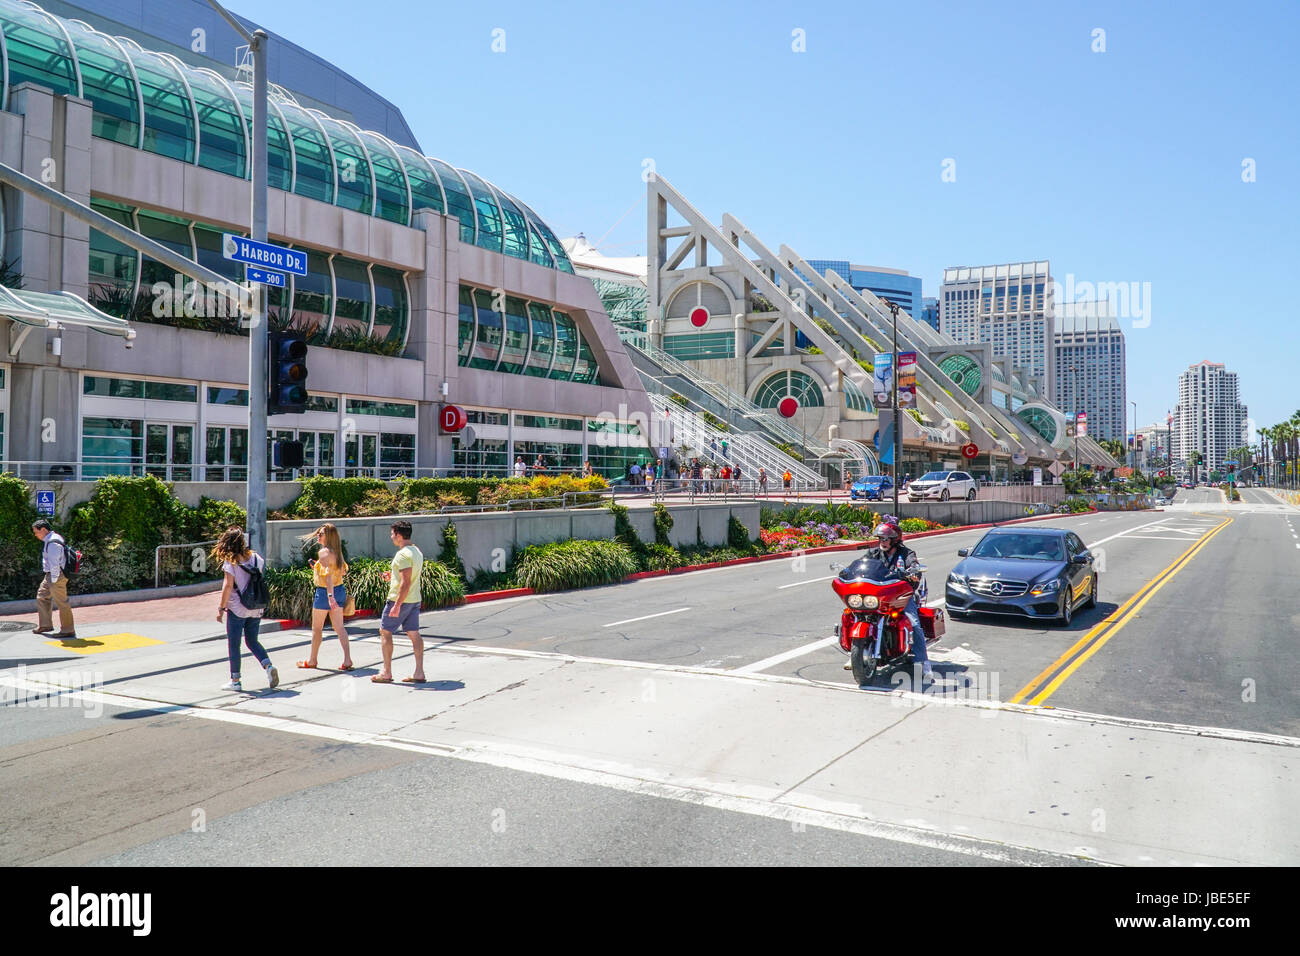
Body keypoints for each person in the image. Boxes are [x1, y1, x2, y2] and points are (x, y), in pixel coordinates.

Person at [850, 519, 932, 680]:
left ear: (895, 540)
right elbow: (860, 564)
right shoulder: (873, 553)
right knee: (852, 613)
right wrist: (848, 571)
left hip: (900, 596)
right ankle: (856, 654)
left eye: (886, 538)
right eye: (880, 538)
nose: (883, 541)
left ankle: (923, 662)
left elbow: (914, 565)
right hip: (879, 596)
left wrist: (915, 572)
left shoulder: (906, 554)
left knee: (914, 624)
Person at [214, 527, 278, 692]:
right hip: (256, 606)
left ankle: (235, 680)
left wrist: (221, 608)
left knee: (234, 644)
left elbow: (228, 586)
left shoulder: (231, 561)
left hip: (237, 608)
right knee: (252, 641)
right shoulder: (256, 558)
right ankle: (268, 666)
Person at [373, 520, 425, 684]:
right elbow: (407, 576)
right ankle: (419, 673)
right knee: (414, 633)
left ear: (399, 535)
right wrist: (393, 575)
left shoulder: (402, 554)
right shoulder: (416, 551)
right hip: (414, 599)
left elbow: (405, 582)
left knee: (385, 632)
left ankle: (386, 672)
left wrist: (396, 605)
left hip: (400, 600)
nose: (391, 537)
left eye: (392, 534)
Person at [298, 523, 353, 671]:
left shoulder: (324, 552)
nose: (318, 536)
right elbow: (342, 572)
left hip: (325, 592)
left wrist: (330, 596)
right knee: (339, 627)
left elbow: (327, 576)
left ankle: (312, 660)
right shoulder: (337, 552)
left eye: (321, 534)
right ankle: (347, 660)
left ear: (328, 536)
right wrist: (317, 566)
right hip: (339, 589)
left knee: (317, 628)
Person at [32, 520, 75, 638]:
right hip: (50, 575)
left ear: (44, 530)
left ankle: (68, 629)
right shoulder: (51, 540)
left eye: (36, 532)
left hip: (56, 575)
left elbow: (55, 563)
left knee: (62, 602)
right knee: (42, 596)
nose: (35, 535)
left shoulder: (52, 543)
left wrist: (54, 580)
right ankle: (45, 625)